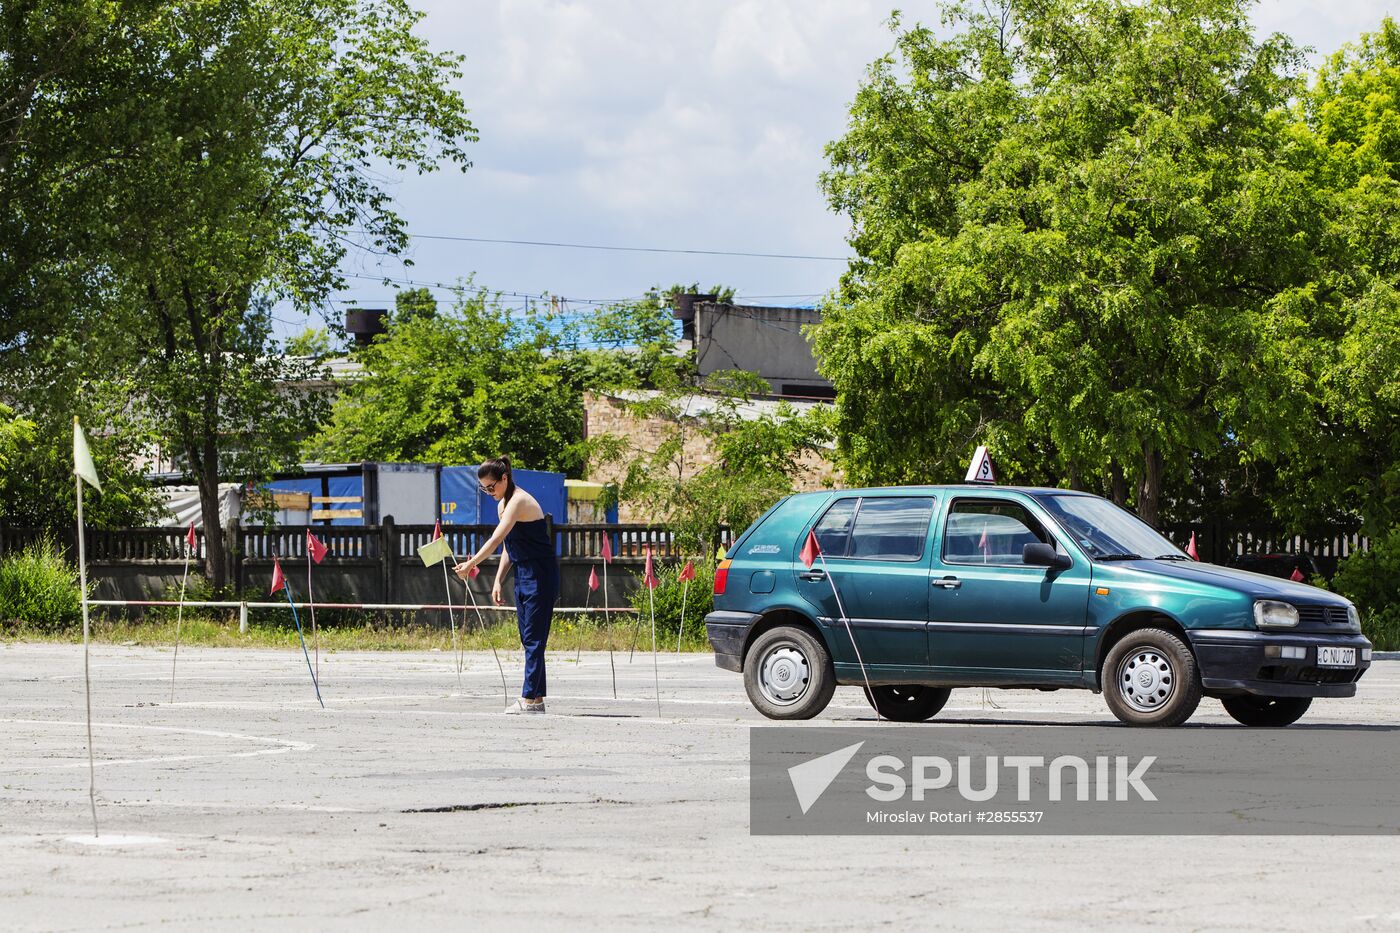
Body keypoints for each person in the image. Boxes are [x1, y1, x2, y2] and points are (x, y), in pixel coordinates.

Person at [455, 456, 558, 714]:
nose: (489, 492)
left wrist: (471, 564)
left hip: (540, 573)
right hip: (523, 572)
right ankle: (537, 698)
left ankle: (527, 698)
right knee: (527, 638)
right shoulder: (503, 504)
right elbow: (509, 546)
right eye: (484, 489)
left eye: (491, 487)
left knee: (534, 639)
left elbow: (496, 537)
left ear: (505, 478)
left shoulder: (519, 500)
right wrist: (499, 579)